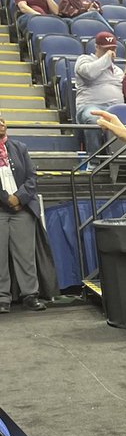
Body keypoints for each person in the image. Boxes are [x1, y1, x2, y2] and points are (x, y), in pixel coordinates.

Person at [0, 109, 45, 313]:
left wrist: (19, 198)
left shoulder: (19, 147)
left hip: (22, 209)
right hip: (1, 209)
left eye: (1, 118)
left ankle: (30, 295)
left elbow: (31, 177)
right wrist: (6, 199)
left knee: (25, 255)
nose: (1, 122)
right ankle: (3, 298)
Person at [75, 32, 125, 150]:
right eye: (107, 49)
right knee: (94, 120)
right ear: (97, 47)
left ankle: (124, 161)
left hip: (115, 107)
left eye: (113, 49)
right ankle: (94, 161)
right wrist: (106, 58)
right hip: (91, 106)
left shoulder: (117, 70)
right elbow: (89, 73)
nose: (111, 52)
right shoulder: (84, 60)